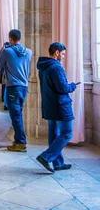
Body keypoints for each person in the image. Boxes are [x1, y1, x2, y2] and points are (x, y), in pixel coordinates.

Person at [36, 42, 78, 173]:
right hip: (60, 105)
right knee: (66, 133)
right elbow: (62, 88)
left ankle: (58, 163)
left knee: (54, 134)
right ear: (57, 53)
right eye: (63, 54)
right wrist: (72, 86)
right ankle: (45, 157)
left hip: (49, 104)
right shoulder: (56, 67)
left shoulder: (44, 66)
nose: (64, 56)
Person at [0, 29, 32, 152]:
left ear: (10, 38)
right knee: (18, 114)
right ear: (19, 39)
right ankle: (18, 139)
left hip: (13, 87)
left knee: (15, 116)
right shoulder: (28, 52)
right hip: (24, 87)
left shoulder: (7, 51)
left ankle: (21, 142)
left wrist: (2, 51)